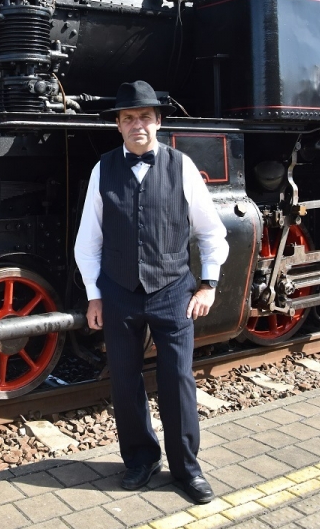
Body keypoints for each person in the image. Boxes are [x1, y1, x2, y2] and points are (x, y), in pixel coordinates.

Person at [74, 80, 228, 504]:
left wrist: (209, 284)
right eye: (128, 118)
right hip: (119, 293)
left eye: (144, 116)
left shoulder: (181, 166)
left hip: (172, 291)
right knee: (124, 381)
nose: (136, 124)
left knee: (177, 379)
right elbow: (88, 240)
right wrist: (94, 295)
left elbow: (212, 233)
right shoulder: (102, 168)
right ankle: (140, 460)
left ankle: (186, 470)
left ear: (158, 122)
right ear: (118, 127)